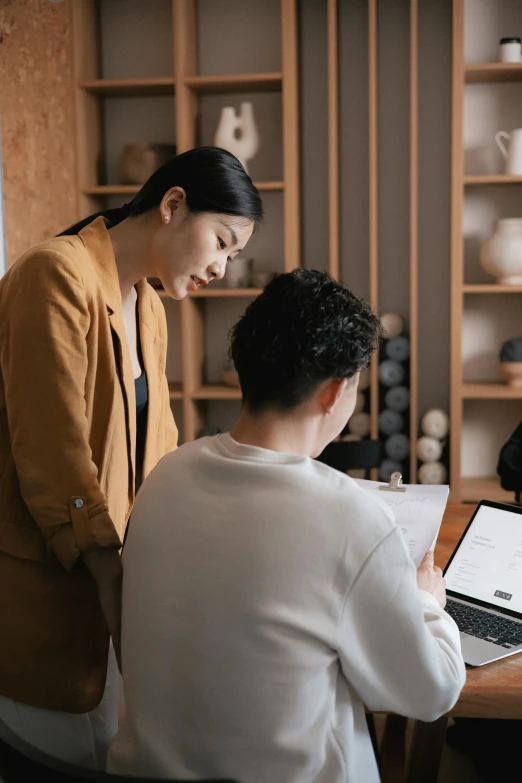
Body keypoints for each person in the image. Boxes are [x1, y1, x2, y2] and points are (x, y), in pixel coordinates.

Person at [108, 269, 466, 782]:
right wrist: (426, 602)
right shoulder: (353, 518)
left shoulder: (164, 478)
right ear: (333, 392)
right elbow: (431, 692)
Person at [0, 147, 262, 770]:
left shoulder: (148, 304)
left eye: (233, 254)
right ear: (173, 205)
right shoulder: (54, 275)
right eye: (222, 242)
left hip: (114, 594)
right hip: (48, 600)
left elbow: (160, 449)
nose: (223, 267)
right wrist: (119, 586)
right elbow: (55, 455)